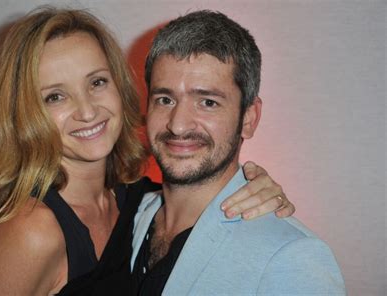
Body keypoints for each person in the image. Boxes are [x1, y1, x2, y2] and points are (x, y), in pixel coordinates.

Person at [0, 7, 295, 295]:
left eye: (97, 82)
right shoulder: (32, 231)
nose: (87, 111)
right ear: (27, 113)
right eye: (55, 96)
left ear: (120, 85)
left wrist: (254, 185)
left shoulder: (136, 201)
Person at [131, 10, 346, 295]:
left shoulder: (291, 257)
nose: (178, 125)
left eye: (207, 102)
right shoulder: (132, 214)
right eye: (165, 99)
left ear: (248, 118)